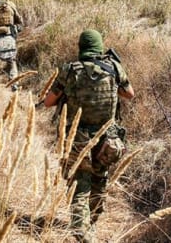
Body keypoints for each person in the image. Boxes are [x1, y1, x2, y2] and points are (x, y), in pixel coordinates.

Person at [44, 29, 134, 243]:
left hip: (77, 139)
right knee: (99, 180)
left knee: (79, 186)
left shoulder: (69, 70)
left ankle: (83, 233)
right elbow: (130, 94)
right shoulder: (114, 68)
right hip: (108, 140)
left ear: (81, 47)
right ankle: (91, 224)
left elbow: (48, 102)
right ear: (100, 46)